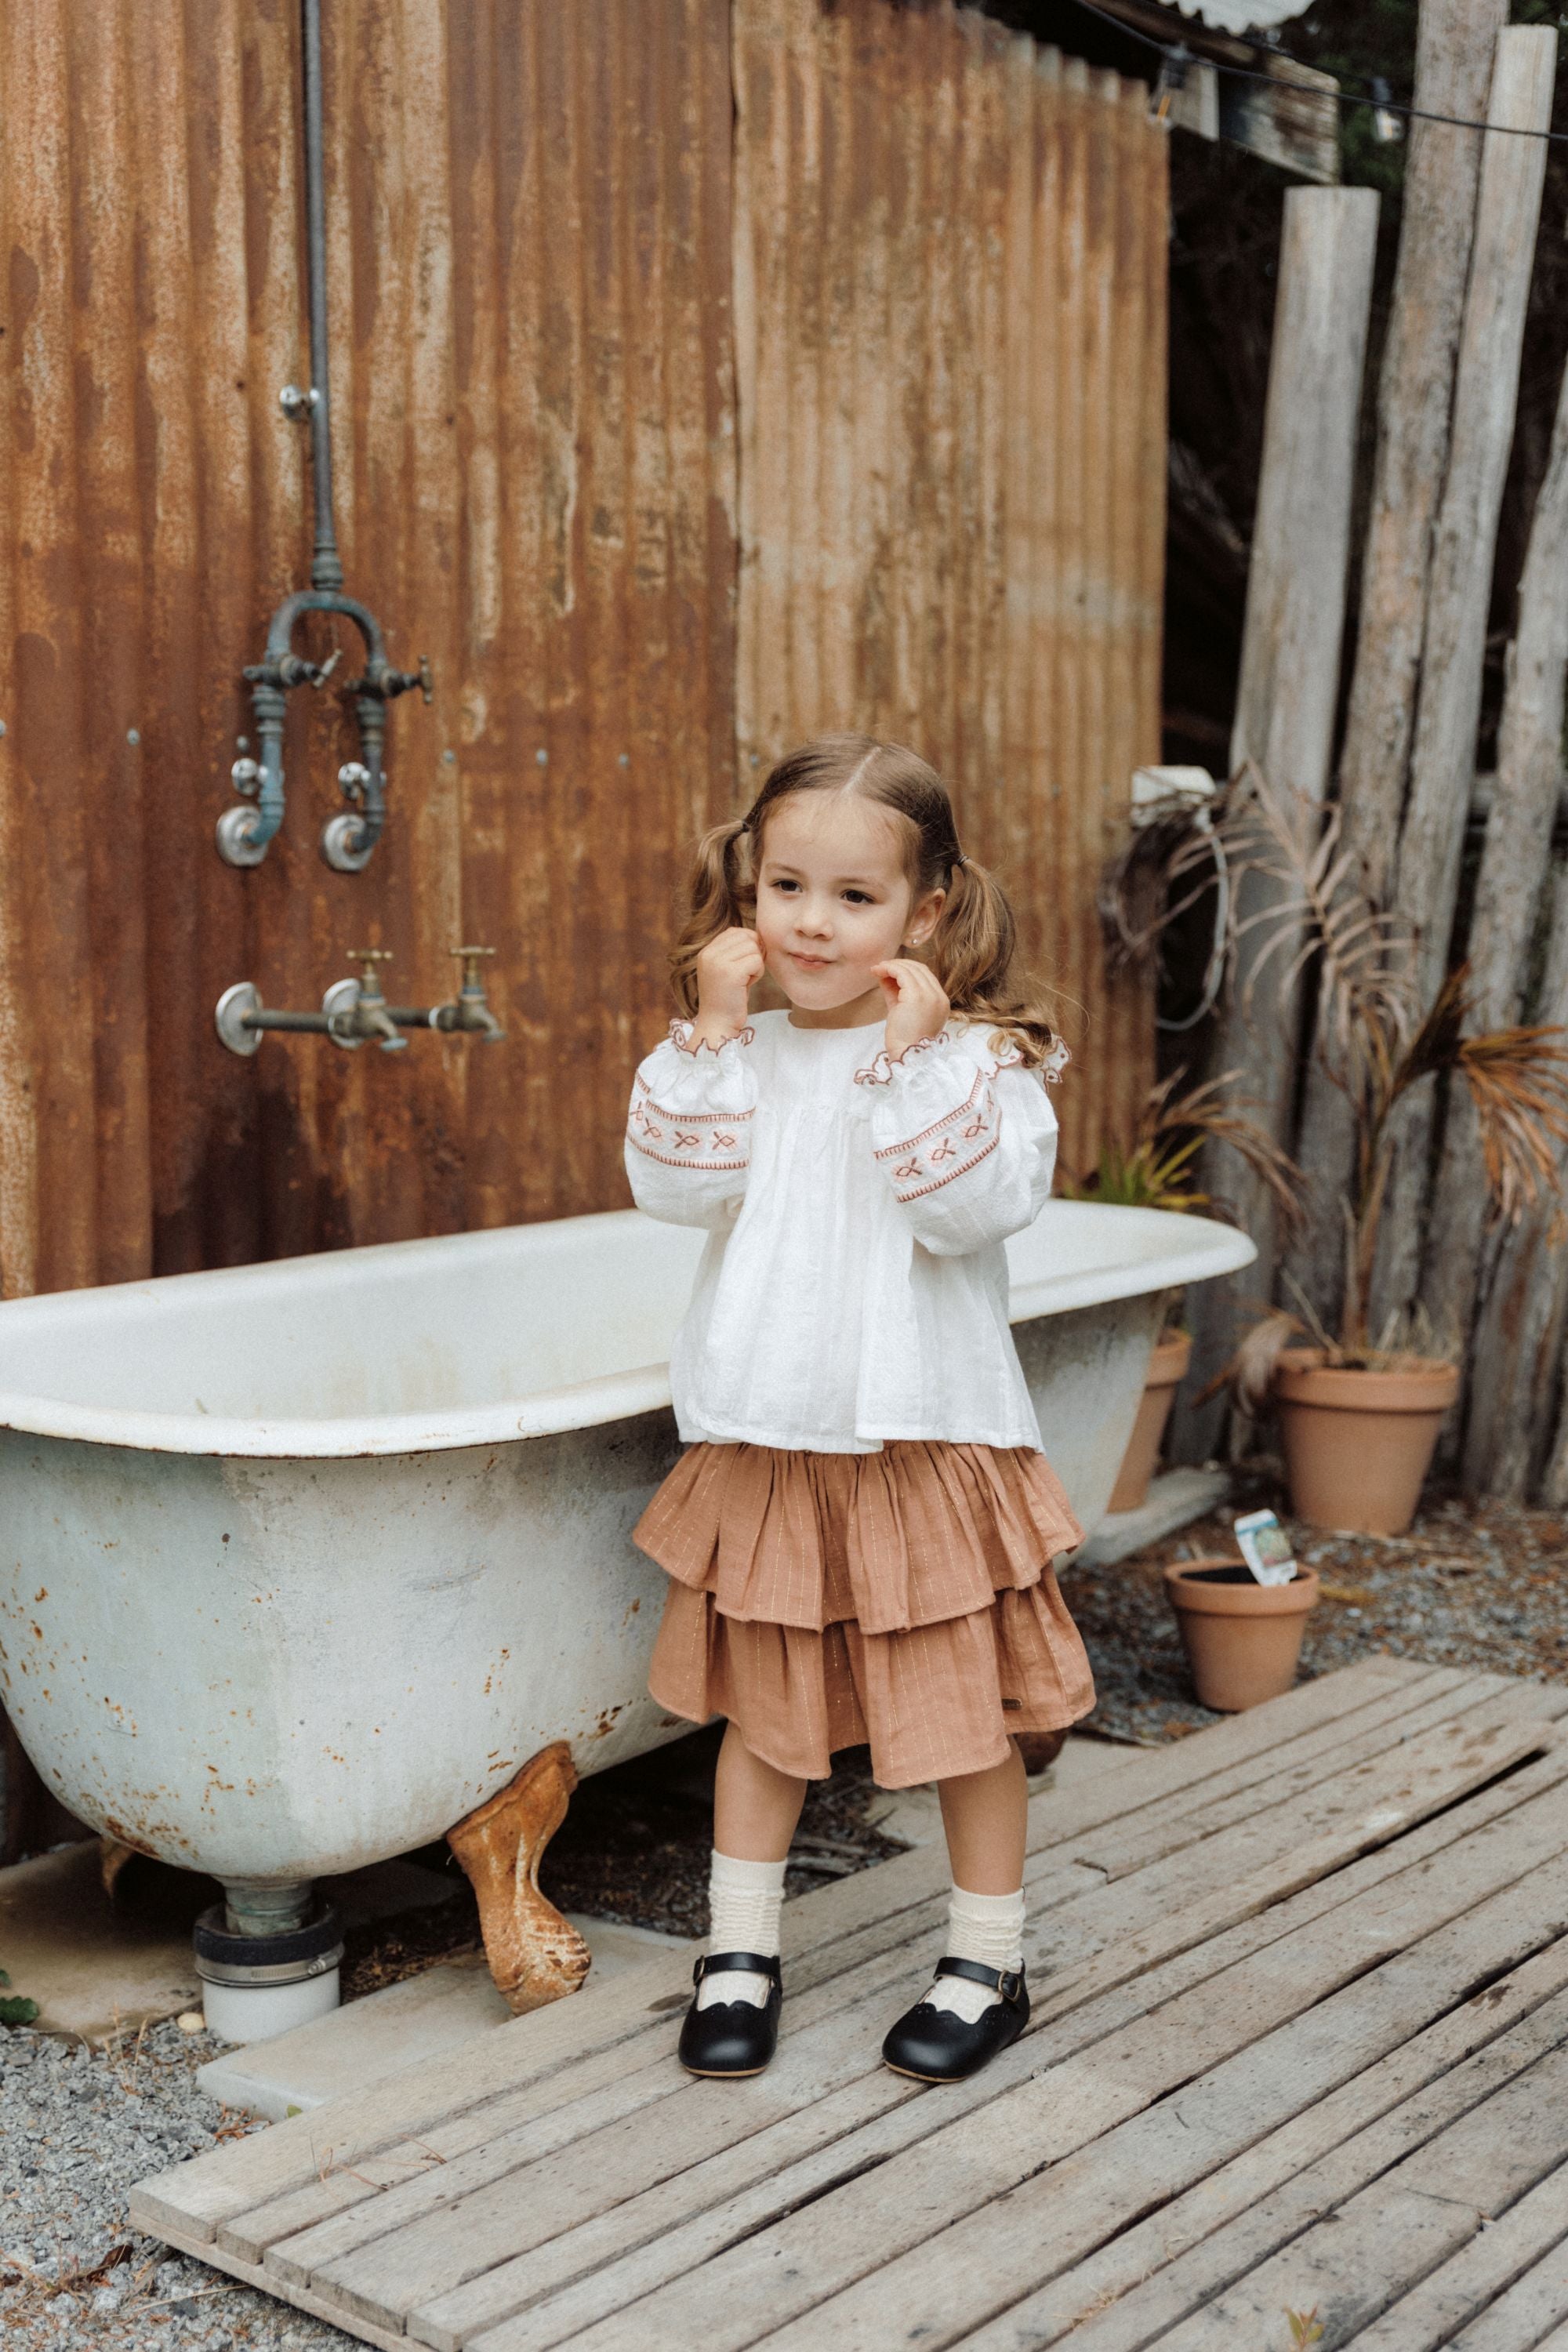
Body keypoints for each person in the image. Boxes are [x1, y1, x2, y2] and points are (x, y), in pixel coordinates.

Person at [623, 733, 1094, 2085]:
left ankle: (987, 1960)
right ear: (748, 892)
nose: (813, 924)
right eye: (787, 888)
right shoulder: (734, 1056)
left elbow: (966, 1213)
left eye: (855, 896)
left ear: (925, 913)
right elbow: (673, 1190)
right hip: (771, 1439)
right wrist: (714, 1034)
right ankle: (738, 1951)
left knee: (966, 1718)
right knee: (766, 1719)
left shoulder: (981, 1062)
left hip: (925, 1442)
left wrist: (914, 1056)